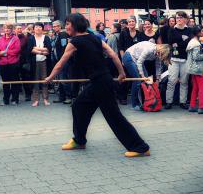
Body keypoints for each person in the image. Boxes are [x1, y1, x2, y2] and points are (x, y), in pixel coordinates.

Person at [45, 13, 150, 157]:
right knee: (78, 106)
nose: (66, 27)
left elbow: (61, 63)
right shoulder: (95, 38)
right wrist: (121, 73)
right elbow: (113, 54)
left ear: (75, 24)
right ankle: (79, 140)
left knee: (113, 116)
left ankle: (140, 147)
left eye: (68, 24)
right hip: (100, 81)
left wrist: (50, 78)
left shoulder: (74, 42)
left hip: (101, 83)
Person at [122, 41, 170, 111]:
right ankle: (135, 104)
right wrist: (142, 76)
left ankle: (147, 102)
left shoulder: (158, 53)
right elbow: (139, 62)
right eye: (161, 54)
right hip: (129, 57)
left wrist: (157, 80)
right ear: (161, 48)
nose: (160, 56)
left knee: (148, 81)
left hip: (137, 60)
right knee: (138, 80)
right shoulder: (149, 49)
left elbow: (158, 66)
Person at [164, 12, 192, 109]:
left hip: (185, 59)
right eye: (177, 17)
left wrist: (178, 41)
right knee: (171, 81)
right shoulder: (171, 30)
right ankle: (169, 102)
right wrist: (183, 39)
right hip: (174, 59)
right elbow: (171, 41)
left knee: (184, 81)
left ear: (185, 19)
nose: (178, 19)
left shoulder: (189, 30)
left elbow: (188, 44)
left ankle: (183, 102)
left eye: (180, 17)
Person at [186, 26, 203, 114]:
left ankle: (192, 106)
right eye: (202, 31)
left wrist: (202, 50)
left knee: (195, 87)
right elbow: (196, 57)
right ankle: (201, 107)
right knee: (201, 87)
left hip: (191, 67)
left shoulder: (192, 42)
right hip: (197, 68)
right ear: (198, 33)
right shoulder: (196, 44)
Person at [118, 16, 143, 105]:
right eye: (129, 22)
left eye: (133, 21)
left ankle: (136, 98)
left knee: (135, 77)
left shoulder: (139, 33)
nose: (131, 23)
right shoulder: (123, 33)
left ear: (135, 22)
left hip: (136, 59)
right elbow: (120, 47)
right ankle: (122, 97)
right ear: (127, 24)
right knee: (125, 78)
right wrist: (123, 59)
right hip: (126, 58)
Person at [0, 23, 21, 105]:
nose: (7, 30)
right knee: (5, 83)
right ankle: (6, 99)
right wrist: (0, 54)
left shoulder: (15, 38)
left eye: (9, 28)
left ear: (12, 29)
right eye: (5, 28)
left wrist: (6, 52)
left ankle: (15, 99)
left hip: (13, 63)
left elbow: (17, 50)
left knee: (14, 82)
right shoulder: (0, 39)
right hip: (3, 63)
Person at [28, 22, 52, 107]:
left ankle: (45, 99)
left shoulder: (46, 38)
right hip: (34, 62)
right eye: (36, 27)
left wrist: (36, 49)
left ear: (42, 28)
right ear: (34, 29)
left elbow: (49, 49)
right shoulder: (31, 38)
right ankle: (36, 100)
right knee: (35, 81)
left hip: (44, 62)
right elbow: (30, 49)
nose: (38, 28)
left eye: (40, 27)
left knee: (45, 80)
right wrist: (42, 51)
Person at [51, 20, 71, 104]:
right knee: (59, 79)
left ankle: (69, 97)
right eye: (54, 26)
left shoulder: (63, 34)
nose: (54, 27)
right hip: (58, 60)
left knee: (64, 79)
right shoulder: (56, 35)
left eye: (56, 26)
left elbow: (64, 46)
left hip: (63, 60)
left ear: (60, 26)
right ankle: (61, 97)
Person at [16, 24, 32, 101]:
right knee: (16, 78)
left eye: (20, 28)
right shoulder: (13, 38)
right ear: (15, 30)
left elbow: (26, 48)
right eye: (17, 28)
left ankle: (28, 94)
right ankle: (17, 94)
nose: (19, 30)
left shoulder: (25, 38)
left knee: (25, 78)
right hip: (15, 61)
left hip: (23, 61)